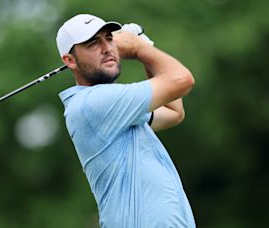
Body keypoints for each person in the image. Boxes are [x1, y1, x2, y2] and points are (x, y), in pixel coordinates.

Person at [56, 14, 196, 228]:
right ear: (69, 60)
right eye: (93, 43)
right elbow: (182, 80)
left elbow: (173, 111)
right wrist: (140, 49)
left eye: (109, 39)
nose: (107, 48)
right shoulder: (93, 103)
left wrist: (144, 47)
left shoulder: (115, 110)